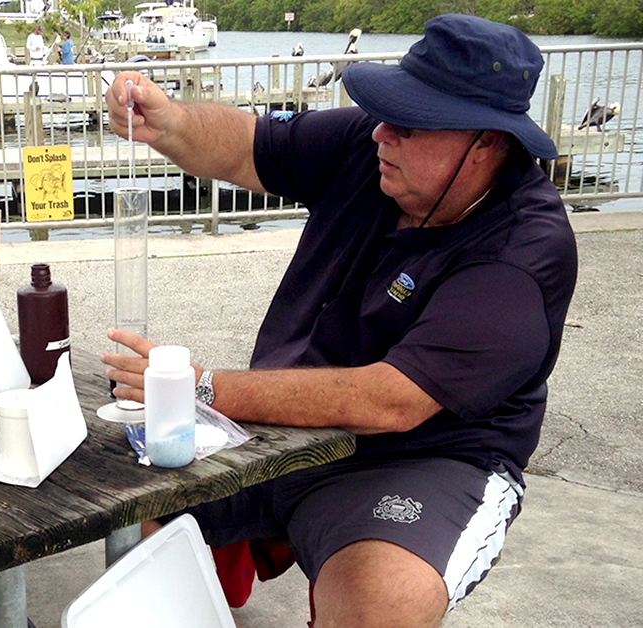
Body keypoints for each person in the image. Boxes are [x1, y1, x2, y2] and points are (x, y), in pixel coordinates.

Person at [102, 14, 577, 626]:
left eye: (410, 122)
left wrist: (203, 388)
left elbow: (391, 401)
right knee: (155, 484)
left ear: (486, 141)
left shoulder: (522, 252)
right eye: (387, 111)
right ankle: (210, 580)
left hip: (424, 456)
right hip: (285, 424)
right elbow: (248, 146)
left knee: (382, 603)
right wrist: (167, 121)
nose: (383, 131)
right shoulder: (371, 147)